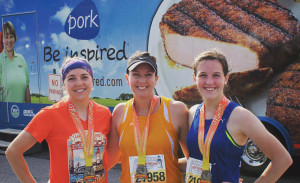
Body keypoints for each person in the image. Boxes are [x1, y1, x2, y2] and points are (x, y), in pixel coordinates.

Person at [186, 49, 293, 183]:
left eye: (216, 75)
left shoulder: (240, 116)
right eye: (203, 75)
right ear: (194, 78)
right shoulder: (193, 112)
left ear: (226, 78)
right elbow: (194, 160)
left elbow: (282, 159)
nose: (209, 81)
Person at [5, 57, 111, 183]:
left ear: (92, 80)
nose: (79, 83)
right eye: (71, 78)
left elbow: (112, 154)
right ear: (64, 84)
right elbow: (13, 151)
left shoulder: (104, 113)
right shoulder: (50, 115)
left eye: (84, 77)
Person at [106, 51, 189, 182]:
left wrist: (168, 165)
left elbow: (194, 160)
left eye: (148, 75)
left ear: (156, 79)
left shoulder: (175, 110)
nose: (142, 80)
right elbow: (109, 160)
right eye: (136, 75)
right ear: (127, 79)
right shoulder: (120, 112)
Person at [0, 21, 30, 103]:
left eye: (11, 36)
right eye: (6, 37)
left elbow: (27, 87)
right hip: (4, 114)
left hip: (21, 113)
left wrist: (29, 110)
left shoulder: (21, 59)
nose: (9, 41)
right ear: (2, 40)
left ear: (15, 38)